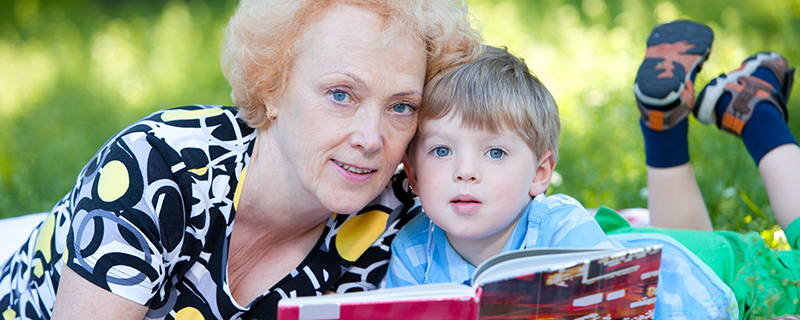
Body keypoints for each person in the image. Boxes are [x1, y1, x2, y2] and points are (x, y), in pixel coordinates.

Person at [0, 0, 483, 319]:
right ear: (273, 86)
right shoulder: (157, 169)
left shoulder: (403, 213)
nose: (371, 138)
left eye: (402, 106)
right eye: (341, 94)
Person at [597, 20, 800, 318]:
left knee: (683, 271)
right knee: (683, 273)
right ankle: (753, 114)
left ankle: (751, 109)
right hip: (707, 280)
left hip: (720, 280)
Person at [384, 45, 616, 288]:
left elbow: (617, 303)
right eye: (442, 151)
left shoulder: (561, 230)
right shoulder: (413, 250)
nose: (465, 172)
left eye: (495, 153)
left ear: (539, 173)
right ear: (413, 174)